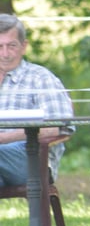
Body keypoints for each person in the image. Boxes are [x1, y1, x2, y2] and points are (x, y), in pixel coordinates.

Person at [0, 13, 74, 186]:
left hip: (32, 157)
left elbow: (57, 128)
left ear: (24, 46)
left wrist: (3, 139)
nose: (5, 54)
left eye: (11, 46)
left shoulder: (40, 78)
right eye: (0, 46)